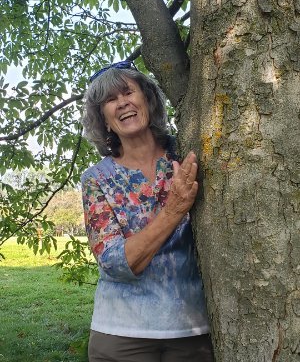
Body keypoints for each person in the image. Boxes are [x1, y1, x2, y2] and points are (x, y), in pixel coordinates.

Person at [81, 60, 214, 362]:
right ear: (103, 118)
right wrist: (175, 209)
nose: (122, 103)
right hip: (121, 335)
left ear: (148, 98)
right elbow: (115, 262)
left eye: (128, 92)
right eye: (110, 100)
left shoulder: (190, 153)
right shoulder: (96, 179)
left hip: (192, 331)